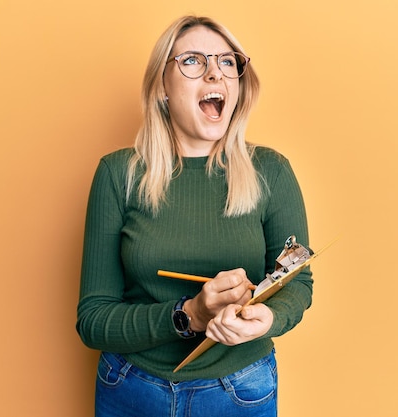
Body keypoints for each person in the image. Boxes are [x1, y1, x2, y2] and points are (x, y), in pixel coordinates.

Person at [76, 15, 313, 417]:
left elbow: (297, 279)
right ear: (161, 87)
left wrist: (266, 317)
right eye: (192, 61)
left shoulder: (271, 171)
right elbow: (93, 319)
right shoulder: (118, 175)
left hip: (240, 390)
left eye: (226, 62)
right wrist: (189, 316)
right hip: (131, 389)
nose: (214, 73)